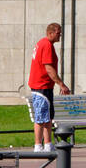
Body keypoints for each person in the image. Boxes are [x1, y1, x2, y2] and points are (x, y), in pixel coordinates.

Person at [28, 22, 71, 152]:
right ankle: (38, 145)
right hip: (41, 86)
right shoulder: (46, 45)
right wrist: (61, 84)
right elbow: (49, 68)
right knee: (41, 117)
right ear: (50, 33)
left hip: (45, 86)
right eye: (58, 33)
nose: (60, 35)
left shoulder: (44, 43)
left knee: (48, 116)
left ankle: (47, 144)